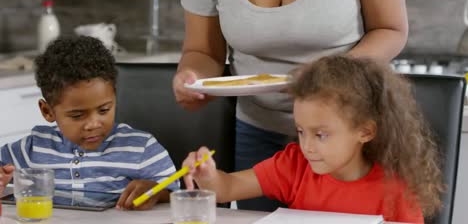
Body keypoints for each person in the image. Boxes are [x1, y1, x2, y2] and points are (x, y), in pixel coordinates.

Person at [173, 0, 408, 210]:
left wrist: (325, 76)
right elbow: (204, 52)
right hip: (260, 127)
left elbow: (390, 29)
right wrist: (193, 78)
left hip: (346, 133)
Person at [182, 56, 443, 223]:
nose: (307, 146)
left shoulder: (395, 189)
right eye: (300, 131)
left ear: (365, 131)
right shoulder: (294, 165)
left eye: (321, 135)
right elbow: (227, 188)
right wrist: (208, 176)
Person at [0, 36, 178, 210]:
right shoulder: (32, 148)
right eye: (77, 115)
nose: (93, 124)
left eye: (104, 110)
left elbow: (177, 195)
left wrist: (156, 192)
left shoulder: (141, 149)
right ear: (47, 111)